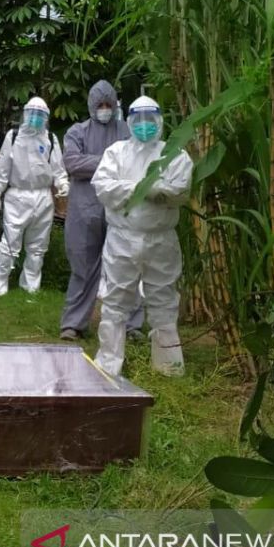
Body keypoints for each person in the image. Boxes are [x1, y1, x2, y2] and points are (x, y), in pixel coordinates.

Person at [92, 95, 193, 377]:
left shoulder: (174, 154)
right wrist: (148, 187)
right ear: (130, 121)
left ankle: (169, 365)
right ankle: (108, 364)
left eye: (151, 119)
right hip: (122, 238)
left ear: (160, 121)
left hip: (161, 238)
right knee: (115, 299)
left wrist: (136, 190)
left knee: (164, 298)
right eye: (139, 120)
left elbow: (179, 191)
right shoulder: (116, 152)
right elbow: (104, 188)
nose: (145, 125)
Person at [59, 81, 145, 341]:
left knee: (126, 267)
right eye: (100, 105)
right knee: (82, 267)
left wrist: (95, 163)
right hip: (84, 211)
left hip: (120, 208)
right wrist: (112, 162)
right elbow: (73, 163)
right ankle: (73, 324)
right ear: (92, 105)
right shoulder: (78, 131)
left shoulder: (127, 130)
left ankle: (131, 326)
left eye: (109, 104)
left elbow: (136, 162)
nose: (105, 109)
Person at [0, 97, 69, 296]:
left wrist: (62, 183)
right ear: (25, 114)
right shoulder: (14, 137)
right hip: (17, 195)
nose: (36, 118)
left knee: (38, 245)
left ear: (45, 117)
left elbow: (58, 167)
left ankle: (30, 286)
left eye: (41, 115)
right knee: (10, 242)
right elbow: (3, 166)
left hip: (43, 196)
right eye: (33, 113)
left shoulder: (51, 139)